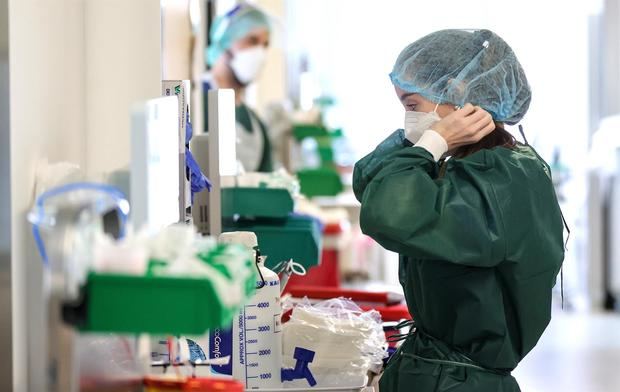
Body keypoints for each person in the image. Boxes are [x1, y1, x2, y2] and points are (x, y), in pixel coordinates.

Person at [353, 29, 565, 392]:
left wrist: (434, 140)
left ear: (457, 93)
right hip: (438, 370)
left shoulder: (500, 177)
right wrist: (425, 142)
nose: (409, 119)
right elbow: (370, 183)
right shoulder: (468, 165)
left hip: (457, 381)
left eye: (411, 105)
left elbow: (387, 213)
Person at [203, 3, 274, 172]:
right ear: (225, 42)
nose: (260, 53)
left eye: (265, 45)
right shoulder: (195, 104)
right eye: (252, 41)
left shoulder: (256, 125)